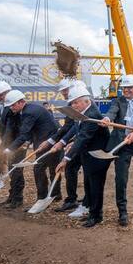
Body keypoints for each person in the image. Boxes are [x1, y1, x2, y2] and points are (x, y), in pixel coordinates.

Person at [101, 74, 133, 226]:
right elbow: (112, 112)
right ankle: (122, 212)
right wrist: (107, 119)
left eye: (130, 88)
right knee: (121, 178)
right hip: (123, 144)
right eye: (124, 88)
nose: (126, 90)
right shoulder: (118, 101)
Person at [55, 84, 110, 227]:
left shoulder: (92, 116)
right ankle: (91, 212)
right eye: (72, 103)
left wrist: (66, 158)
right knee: (88, 184)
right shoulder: (81, 113)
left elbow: (84, 137)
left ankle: (97, 216)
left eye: (76, 102)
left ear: (87, 101)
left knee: (96, 186)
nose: (73, 105)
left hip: (97, 156)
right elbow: (78, 133)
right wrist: (70, 143)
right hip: (88, 154)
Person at [4, 90, 62, 205]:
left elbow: (24, 134)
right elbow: (29, 131)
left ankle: (43, 198)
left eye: (13, 105)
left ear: (21, 102)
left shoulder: (29, 112)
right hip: (46, 139)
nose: (11, 108)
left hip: (48, 141)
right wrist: (27, 143)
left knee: (40, 169)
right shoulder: (28, 110)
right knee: (51, 168)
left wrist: (9, 149)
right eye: (9, 105)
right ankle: (54, 194)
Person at [43, 79, 87, 216]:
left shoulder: (84, 104)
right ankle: (71, 199)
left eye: (64, 91)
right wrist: (61, 141)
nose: (63, 94)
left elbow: (82, 129)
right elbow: (70, 127)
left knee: (88, 172)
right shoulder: (71, 105)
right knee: (70, 169)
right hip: (75, 141)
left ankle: (88, 201)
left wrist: (64, 142)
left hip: (85, 143)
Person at [0, 81, 24, 208]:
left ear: (7, 92)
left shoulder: (11, 107)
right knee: (12, 171)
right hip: (8, 143)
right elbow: (6, 125)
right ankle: (12, 197)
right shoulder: (5, 107)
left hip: (16, 145)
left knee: (16, 171)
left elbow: (12, 129)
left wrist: (3, 147)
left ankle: (17, 199)